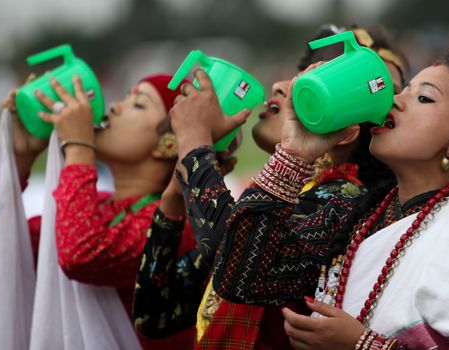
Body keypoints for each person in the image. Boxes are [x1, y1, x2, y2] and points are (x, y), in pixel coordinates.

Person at [212, 51, 449, 349]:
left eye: (423, 98)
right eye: (406, 89)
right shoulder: (354, 215)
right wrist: (296, 151)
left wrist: (361, 344)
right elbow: (240, 280)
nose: (395, 100)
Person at [142, 25, 407, 349]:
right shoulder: (277, 195)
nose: (281, 85)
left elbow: (233, 260)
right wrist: (174, 193)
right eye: (302, 74)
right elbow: (155, 315)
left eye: (318, 82)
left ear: (348, 128)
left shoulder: (342, 203)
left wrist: (195, 146)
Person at [0, 73, 196, 349]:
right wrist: (21, 159)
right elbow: (4, 247)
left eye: (138, 104)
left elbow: (81, 254)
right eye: (125, 97)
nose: (114, 106)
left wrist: (79, 148)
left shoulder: (174, 226)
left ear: (169, 144)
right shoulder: (99, 205)